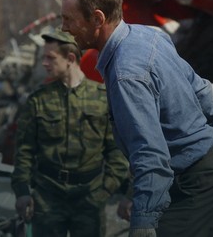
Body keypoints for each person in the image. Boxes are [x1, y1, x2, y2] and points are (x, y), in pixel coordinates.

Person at [59, 0, 213, 237]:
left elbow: (149, 153)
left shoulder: (126, 75)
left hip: (192, 184)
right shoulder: (148, 35)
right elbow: (199, 86)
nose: (64, 28)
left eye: (69, 19)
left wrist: (144, 220)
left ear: (98, 19)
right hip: (205, 173)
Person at [11, 29, 128, 237]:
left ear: (70, 59)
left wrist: (104, 191)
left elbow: (117, 152)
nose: (44, 63)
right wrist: (22, 191)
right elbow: (24, 150)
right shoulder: (38, 99)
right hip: (47, 196)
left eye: (50, 58)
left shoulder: (103, 98)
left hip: (89, 197)